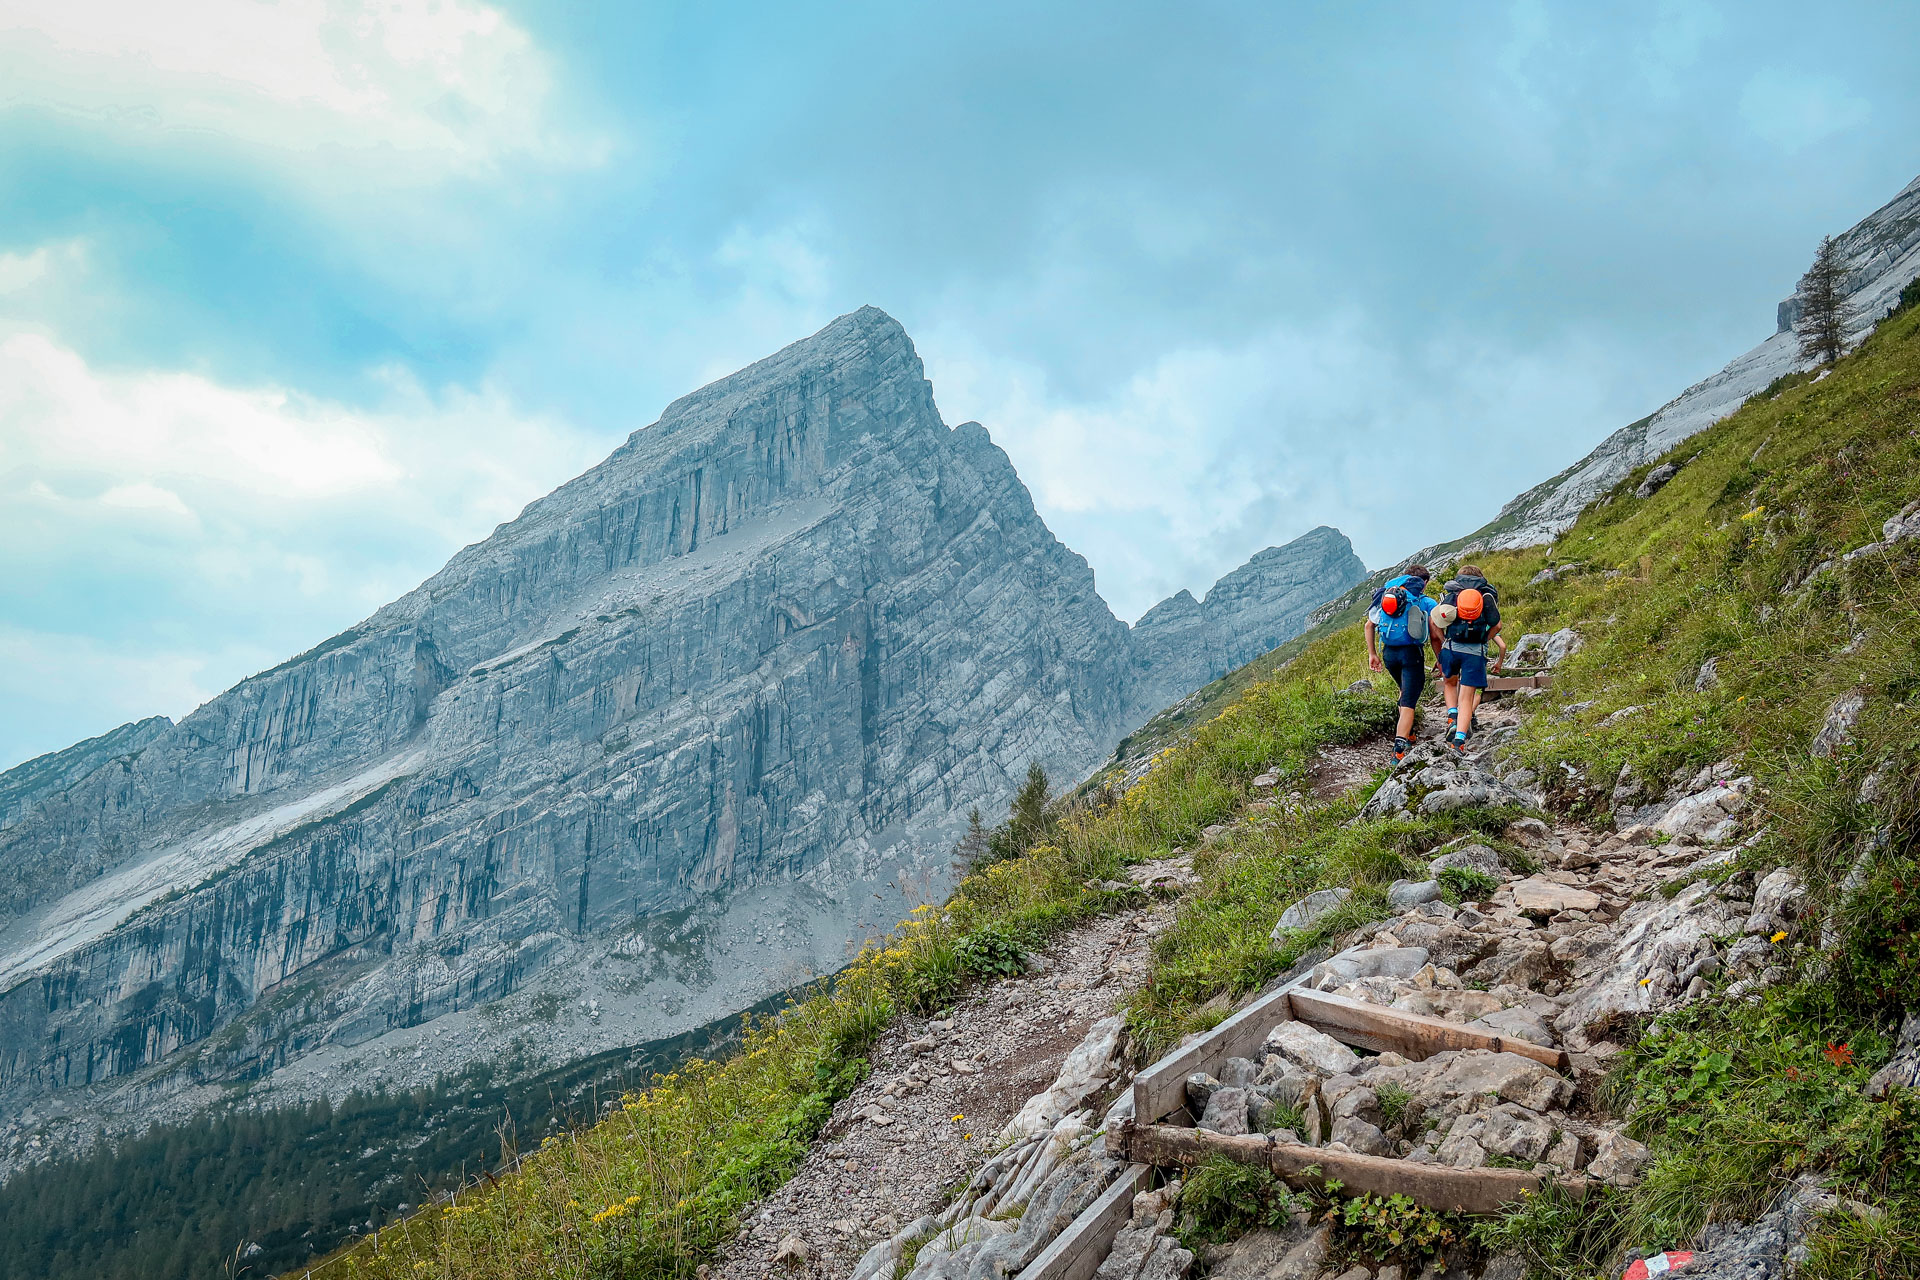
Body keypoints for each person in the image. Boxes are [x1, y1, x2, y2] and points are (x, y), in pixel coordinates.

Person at [1364, 564, 1444, 762]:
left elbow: (1369, 625)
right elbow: (1434, 634)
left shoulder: (1387, 596)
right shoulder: (1425, 602)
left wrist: (1372, 654)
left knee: (1403, 690)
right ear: (1423, 583)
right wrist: (1440, 658)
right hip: (1411, 654)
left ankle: (1409, 733)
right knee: (1408, 701)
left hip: (1389, 653)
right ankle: (1399, 750)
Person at [1437, 563, 1506, 753]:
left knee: (1450, 683)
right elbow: (1497, 626)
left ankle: (1452, 716)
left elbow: (1437, 620)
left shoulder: (1453, 592)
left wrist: (1444, 640)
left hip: (1451, 647)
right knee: (1466, 698)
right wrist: (1485, 638)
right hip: (1475, 652)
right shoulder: (1485, 595)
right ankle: (1459, 741)